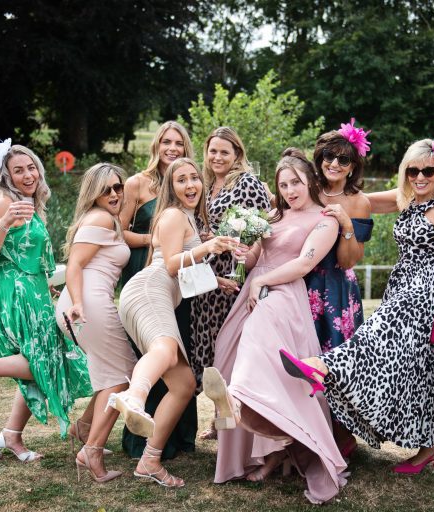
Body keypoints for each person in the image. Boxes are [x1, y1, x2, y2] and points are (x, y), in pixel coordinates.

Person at [280, 137, 434, 475]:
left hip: (428, 291)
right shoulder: (406, 200)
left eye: (428, 170)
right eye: (413, 170)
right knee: (422, 368)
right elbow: (361, 198)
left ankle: (320, 367)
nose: (420, 176)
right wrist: (336, 151)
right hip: (401, 286)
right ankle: (428, 448)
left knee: (375, 335)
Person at [203, 149, 346, 504]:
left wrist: (260, 284)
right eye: (283, 185)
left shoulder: (325, 219)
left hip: (283, 294)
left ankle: (237, 402)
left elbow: (303, 263)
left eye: (295, 182)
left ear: (310, 180)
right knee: (227, 348)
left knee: (257, 333)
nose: (289, 190)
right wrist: (244, 254)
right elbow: (257, 258)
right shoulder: (273, 215)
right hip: (255, 289)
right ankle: (268, 450)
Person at [0, 141, 92, 463]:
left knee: (39, 364)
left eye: (31, 168)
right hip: (13, 295)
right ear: (7, 176)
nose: (27, 175)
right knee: (42, 361)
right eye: (19, 170)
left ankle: (11, 436)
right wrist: (3, 221)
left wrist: (48, 289)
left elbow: (29, 256)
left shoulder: (30, 203)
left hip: (34, 292)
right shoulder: (4, 202)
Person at [110, 158, 236, 487]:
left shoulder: (190, 218)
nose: (191, 184)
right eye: (182, 179)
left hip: (163, 294)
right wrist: (208, 247)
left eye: (195, 177)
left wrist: (215, 280)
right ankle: (134, 397)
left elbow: (182, 271)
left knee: (181, 386)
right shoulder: (172, 215)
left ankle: (150, 461)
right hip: (149, 291)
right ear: (171, 187)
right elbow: (169, 265)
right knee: (165, 348)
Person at [118, 121, 198, 460]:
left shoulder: (188, 202)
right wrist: (159, 242)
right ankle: (136, 408)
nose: (172, 147)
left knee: (181, 374)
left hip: (175, 285)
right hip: (149, 276)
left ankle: (163, 448)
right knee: (160, 351)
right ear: (156, 145)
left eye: (178, 142)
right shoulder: (139, 184)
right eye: (166, 141)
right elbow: (119, 231)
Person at [55, 163, 137, 482]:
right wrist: (77, 302)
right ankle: (91, 451)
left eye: (119, 187)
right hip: (87, 304)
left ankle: (85, 429)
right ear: (94, 193)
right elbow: (74, 264)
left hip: (89, 302)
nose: (115, 193)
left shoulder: (109, 220)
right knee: (121, 378)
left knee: (115, 377)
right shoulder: (100, 217)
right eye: (107, 190)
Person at [191, 126, 271, 441]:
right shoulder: (208, 185)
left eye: (225, 151)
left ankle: (229, 422)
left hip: (232, 279)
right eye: (213, 151)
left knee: (228, 351)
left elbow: (254, 230)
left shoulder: (246, 183)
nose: (218, 157)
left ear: (237, 154)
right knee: (210, 352)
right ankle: (219, 418)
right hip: (205, 280)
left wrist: (233, 250)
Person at [305, 121, 373, 456]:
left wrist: (346, 224)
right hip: (300, 284)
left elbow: (349, 261)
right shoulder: (306, 189)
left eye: (343, 160)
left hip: (336, 291)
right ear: (319, 158)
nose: (334, 164)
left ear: (353, 166)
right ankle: (301, 429)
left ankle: (340, 433)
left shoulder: (358, 201)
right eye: (329, 156)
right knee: (300, 356)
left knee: (336, 362)